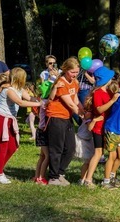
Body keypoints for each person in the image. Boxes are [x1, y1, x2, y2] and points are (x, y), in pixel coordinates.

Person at [0, 68, 43, 184]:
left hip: (10, 120)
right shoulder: (9, 90)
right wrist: (39, 104)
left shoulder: (19, 89)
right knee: (3, 147)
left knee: (13, 147)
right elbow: (20, 102)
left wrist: (40, 99)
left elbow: (29, 98)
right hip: (1, 118)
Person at [46, 57, 84, 186]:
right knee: (57, 148)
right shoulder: (61, 83)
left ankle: (60, 172)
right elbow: (70, 104)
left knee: (71, 148)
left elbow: (76, 100)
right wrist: (82, 116)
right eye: (72, 72)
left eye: (76, 72)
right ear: (65, 69)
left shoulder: (74, 82)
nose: (74, 75)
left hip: (66, 118)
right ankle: (53, 177)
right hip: (56, 117)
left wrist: (83, 110)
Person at [83, 66, 116, 187]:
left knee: (101, 152)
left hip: (105, 126)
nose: (112, 80)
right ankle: (88, 179)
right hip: (98, 126)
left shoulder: (107, 91)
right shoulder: (97, 93)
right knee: (98, 153)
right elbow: (99, 109)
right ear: (106, 79)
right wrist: (112, 101)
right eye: (110, 78)